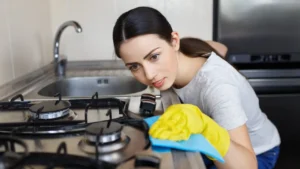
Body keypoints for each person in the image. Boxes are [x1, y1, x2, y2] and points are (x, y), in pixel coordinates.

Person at [112, 6, 281, 169]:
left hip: (256, 153)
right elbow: (221, 47)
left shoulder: (218, 87)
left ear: (175, 41)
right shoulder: (187, 49)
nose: (149, 75)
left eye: (154, 56)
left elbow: (247, 166)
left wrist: (207, 127)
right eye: (135, 66)